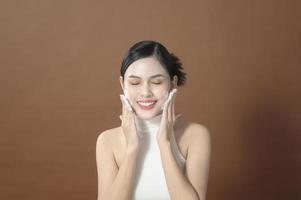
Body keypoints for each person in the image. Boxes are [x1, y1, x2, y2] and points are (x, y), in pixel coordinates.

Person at [96, 40, 211, 200]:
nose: (145, 92)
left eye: (156, 82)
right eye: (135, 82)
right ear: (123, 84)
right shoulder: (107, 141)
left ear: (172, 83)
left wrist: (164, 143)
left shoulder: (195, 135)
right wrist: (132, 149)